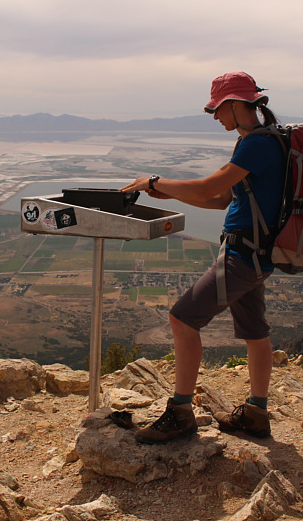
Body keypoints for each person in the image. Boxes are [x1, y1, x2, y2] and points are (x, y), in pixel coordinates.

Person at [120, 71, 285, 444]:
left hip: (244, 255)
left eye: (217, 109)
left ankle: (180, 413)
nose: (215, 117)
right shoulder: (262, 141)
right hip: (258, 254)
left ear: (235, 104)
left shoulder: (256, 145)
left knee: (182, 318)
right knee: (255, 332)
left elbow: (211, 186)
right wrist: (174, 195)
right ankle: (257, 414)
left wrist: (155, 182)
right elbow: (223, 199)